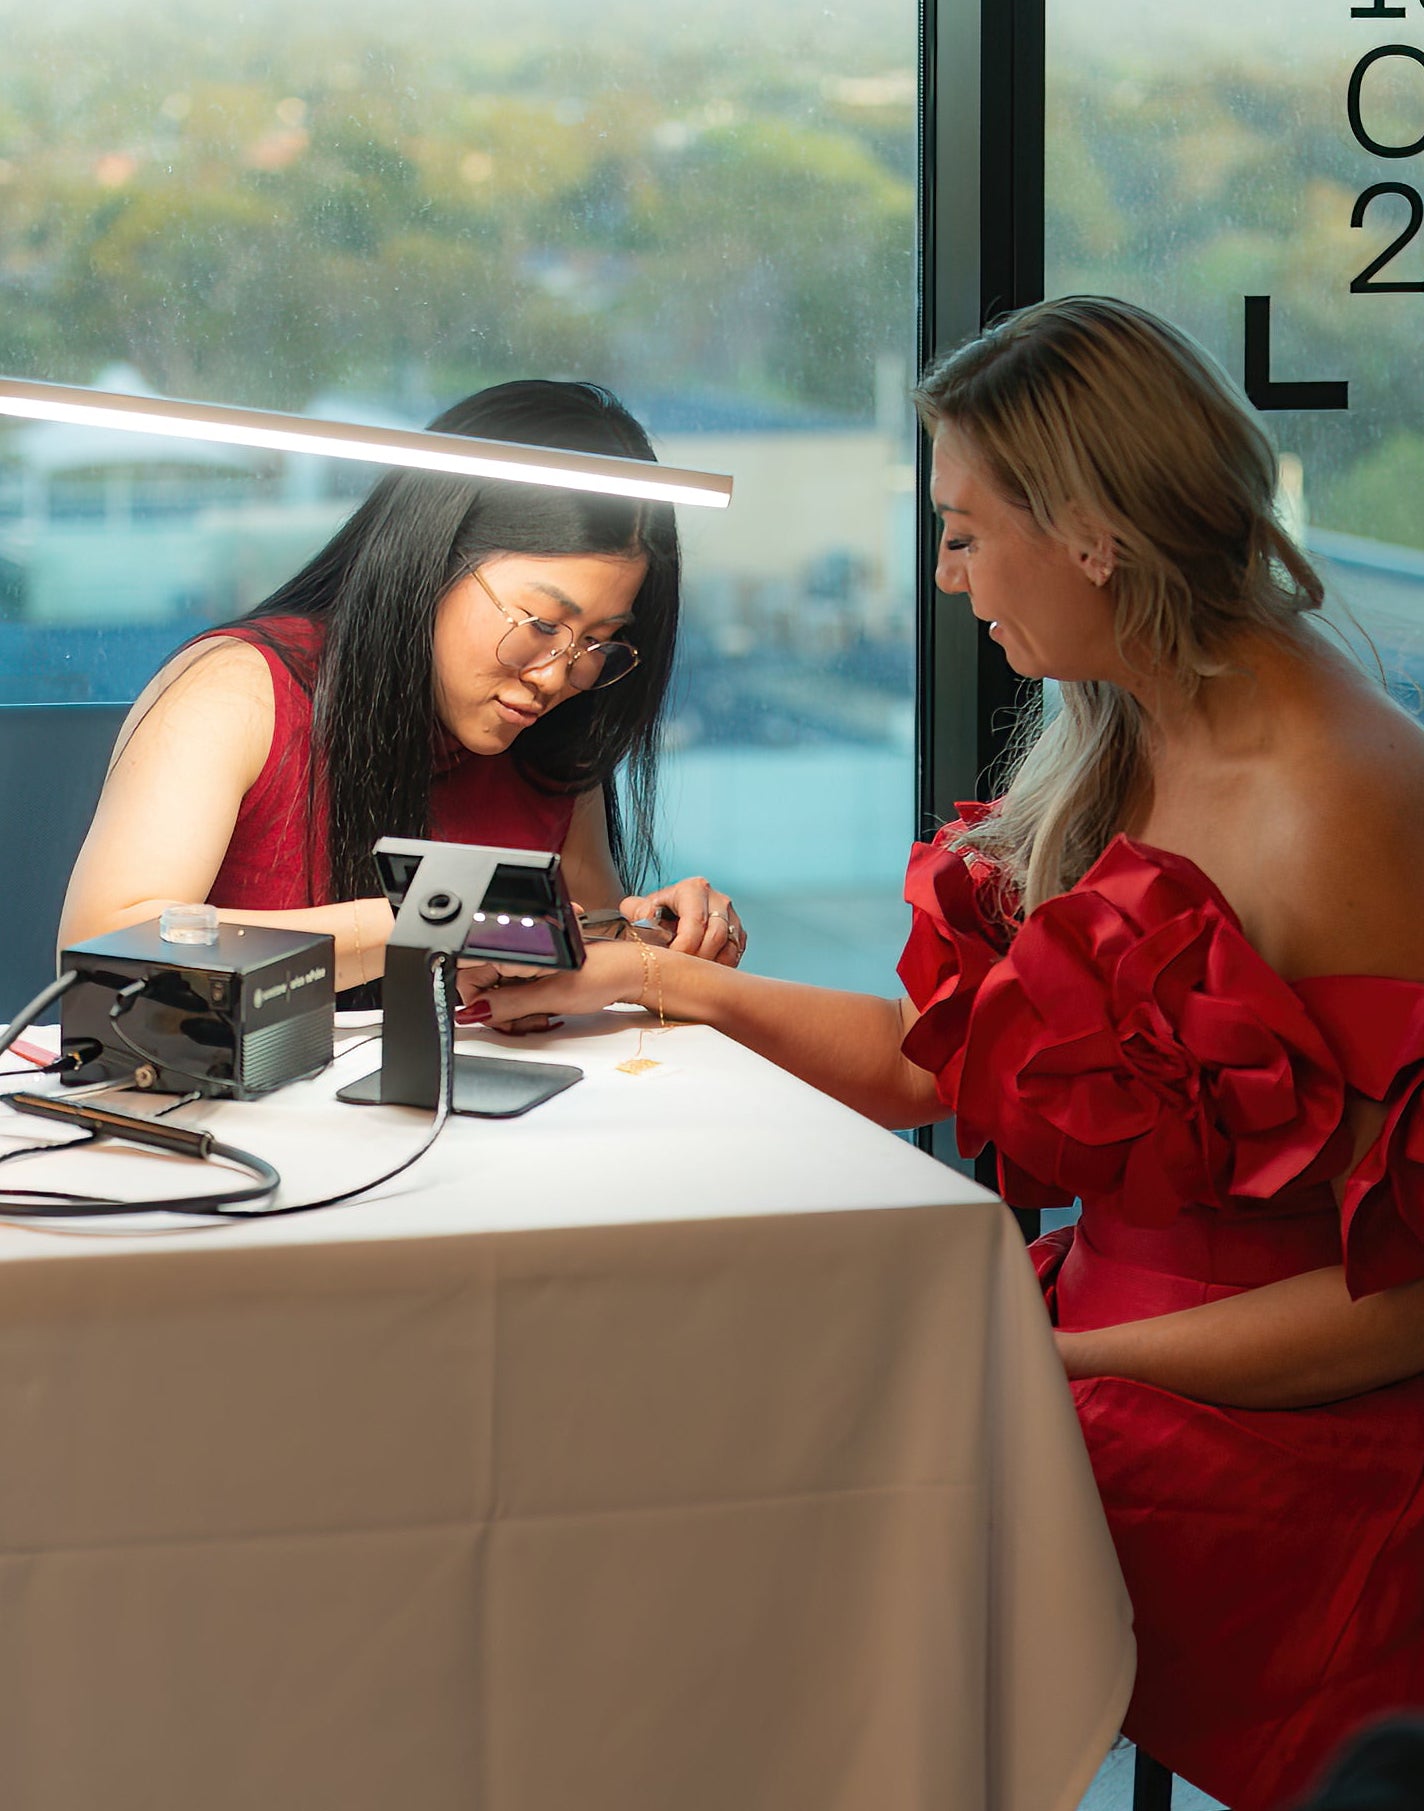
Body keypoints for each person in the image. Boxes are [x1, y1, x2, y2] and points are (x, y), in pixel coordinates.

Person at [463, 299, 1424, 1811]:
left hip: (1287, 1436)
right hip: (1109, 1341)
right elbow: (937, 1064)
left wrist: (1055, 1359)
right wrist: (659, 979)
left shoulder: (1342, 799)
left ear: (1092, 533)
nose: (943, 574)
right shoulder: (1140, 727)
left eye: (967, 533)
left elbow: (1398, 1310)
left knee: (800, 1515)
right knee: (744, 1405)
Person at [60, 380, 747, 1002]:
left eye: (598, 641)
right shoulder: (237, 691)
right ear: (432, 556)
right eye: (539, 623)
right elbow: (100, 950)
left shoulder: (551, 742)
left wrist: (662, 944)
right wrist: (429, 919)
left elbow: (580, 953)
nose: (556, 677)